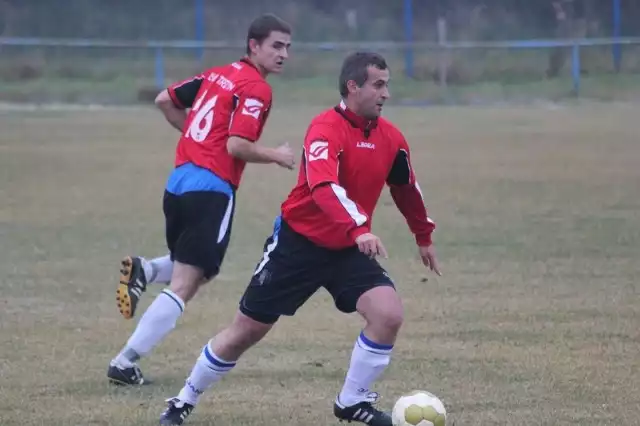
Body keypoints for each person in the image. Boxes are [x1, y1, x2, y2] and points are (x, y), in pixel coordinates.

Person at [158, 51, 442, 426]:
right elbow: (324, 187)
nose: (385, 93)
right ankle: (183, 400)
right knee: (245, 332)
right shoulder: (325, 128)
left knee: (388, 315)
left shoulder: (391, 138)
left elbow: (407, 188)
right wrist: (359, 228)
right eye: (378, 85)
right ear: (352, 86)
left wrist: (423, 235)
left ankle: (352, 401)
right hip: (298, 244)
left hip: (345, 248)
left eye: (387, 85)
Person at [106, 13, 295, 386]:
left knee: (196, 269)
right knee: (186, 283)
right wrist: (276, 155)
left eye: (288, 47)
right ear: (253, 46)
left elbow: (165, 99)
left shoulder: (216, 75)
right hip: (211, 189)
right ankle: (125, 362)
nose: (284, 54)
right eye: (276, 45)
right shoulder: (256, 88)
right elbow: (237, 144)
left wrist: (195, 137)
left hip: (178, 183)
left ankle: (145, 270)